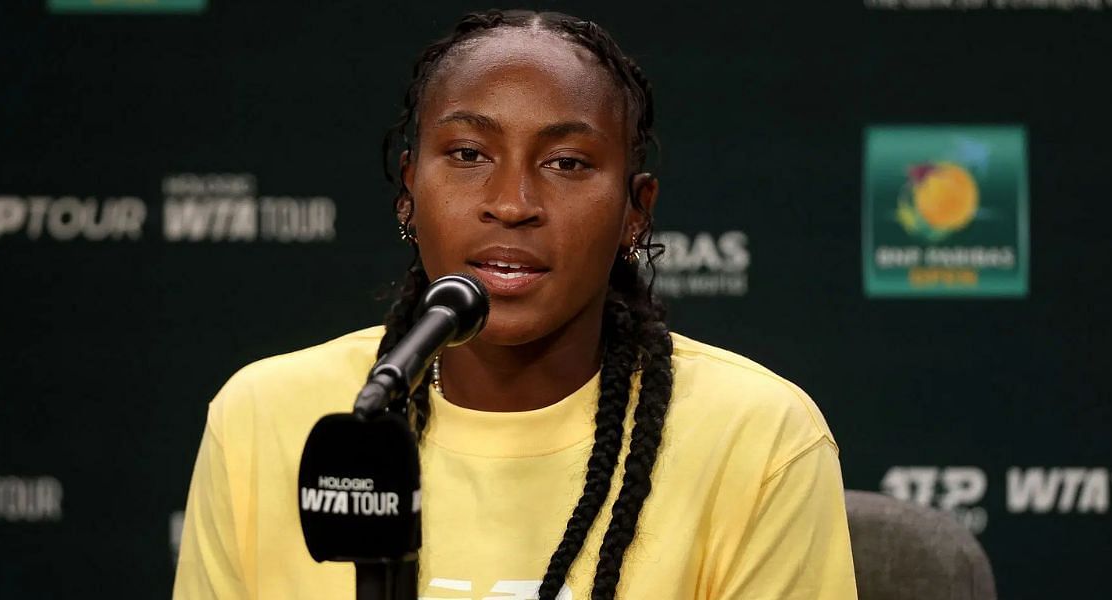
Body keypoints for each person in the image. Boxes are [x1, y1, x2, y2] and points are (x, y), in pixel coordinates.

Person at [174, 9, 857, 599]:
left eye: (567, 163)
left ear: (635, 213)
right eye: (469, 153)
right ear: (409, 190)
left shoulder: (761, 439)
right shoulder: (263, 419)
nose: (512, 203)